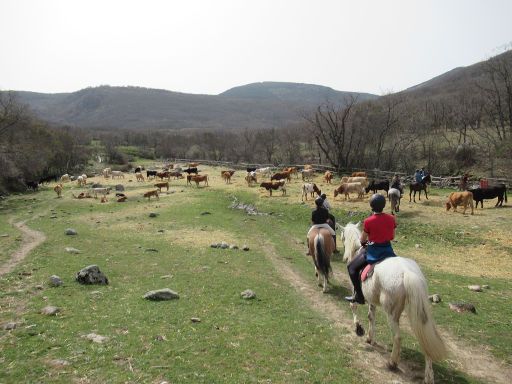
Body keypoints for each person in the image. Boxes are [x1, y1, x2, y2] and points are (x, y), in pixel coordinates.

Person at [345, 194, 397, 304]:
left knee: (351, 268)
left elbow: (362, 240)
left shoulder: (368, 221)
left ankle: (359, 296)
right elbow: (392, 236)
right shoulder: (392, 218)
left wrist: (367, 243)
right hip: (388, 250)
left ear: (371, 206)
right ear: (383, 205)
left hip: (373, 252)